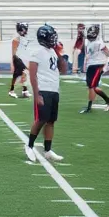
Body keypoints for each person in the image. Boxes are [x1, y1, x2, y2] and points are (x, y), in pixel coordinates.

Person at [25, 24, 66, 164]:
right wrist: (37, 95)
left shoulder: (53, 52)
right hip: (43, 90)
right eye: (51, 36)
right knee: (41, 119)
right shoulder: (37, 52)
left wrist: (59, 52)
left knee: (51, 121)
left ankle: (47, 150)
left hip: (54, 90)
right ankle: (29, 146)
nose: (54, 38)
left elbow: (63, 69)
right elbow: (32, 75)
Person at [80, 24, 109, 113]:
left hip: (98, 65)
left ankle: (91, 106)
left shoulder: (99, 42)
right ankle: (106, 100)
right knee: (91, 87)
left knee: (92, 87)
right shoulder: (88, 41)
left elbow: (107, 52)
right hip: (91, 65)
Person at [8, 22, 32, 98]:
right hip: (18, 58)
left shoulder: (24, 38)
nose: (26, 30)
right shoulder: (16, 39)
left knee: (24, 74)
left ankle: (24, 90)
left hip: (23, 58)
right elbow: (14, 51)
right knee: (17, 75)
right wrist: (15, 60)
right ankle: (11, 90)